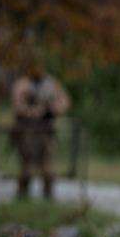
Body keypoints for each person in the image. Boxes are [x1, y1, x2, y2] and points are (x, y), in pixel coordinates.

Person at [9, 64, 71, 200]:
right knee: (27, 166)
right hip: (27, 130)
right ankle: (22, 195)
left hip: (46, 130)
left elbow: (64, 102)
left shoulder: (50, 83)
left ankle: (48, 196)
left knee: (48, 166)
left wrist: (52, 109)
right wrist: (33, 111)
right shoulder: (23, 84)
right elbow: (18, 105)